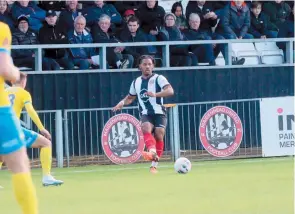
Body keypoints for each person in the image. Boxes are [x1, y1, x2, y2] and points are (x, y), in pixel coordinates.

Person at [0, 21, 38, 214]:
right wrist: (17, 74)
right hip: (0, 111)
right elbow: (5, 70)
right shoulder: (2, 29)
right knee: (20, 168)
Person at [112, 55, 174, 174]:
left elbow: (170, 91)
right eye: (145, 64)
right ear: (140, 66)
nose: (147, 66)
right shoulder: (136, 82)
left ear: (153, 66)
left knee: (159, 135)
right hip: (146, 113)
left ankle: (154, 165)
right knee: (145, 127)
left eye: (150, 64)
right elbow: (130, 98)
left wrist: (156, 94)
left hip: (159, 112)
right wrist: (122, 102)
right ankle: (152, 151)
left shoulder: (159, 78)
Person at [2, 72, 64, 186]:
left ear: (11, 81)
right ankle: (47, 177)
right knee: (46, 143)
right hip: (12, 127)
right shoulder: (24, 93)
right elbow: (30, 110)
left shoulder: (3, 92)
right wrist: (42, 128)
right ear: (23, 81)